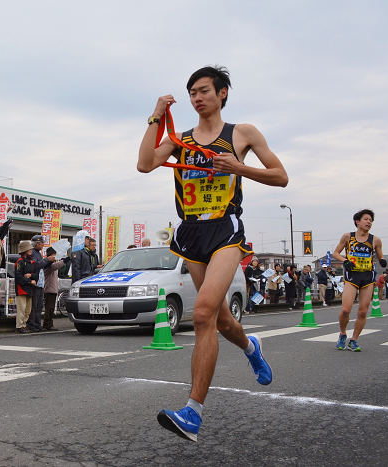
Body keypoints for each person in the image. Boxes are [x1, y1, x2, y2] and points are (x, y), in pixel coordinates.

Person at [138, 65, 288, 441]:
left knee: (202, 314)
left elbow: (281, 175)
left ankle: (193, 412)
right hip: (190, 232)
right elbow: (144, 164)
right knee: (221, 322)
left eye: (204, 90)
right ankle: (251, 347)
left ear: (222, 93)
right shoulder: (180, 137)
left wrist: (239, 167)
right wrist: (156, 115)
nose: (196, 97)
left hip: (225, 229)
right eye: (192, 93)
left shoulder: (242, 133)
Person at [332, 209, 385, 352]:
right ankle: (342, 334)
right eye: (366, 219)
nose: (369, 222)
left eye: (371, 220)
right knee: (345, 310)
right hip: (352, 277)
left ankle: (354, 340)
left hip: (367, 278)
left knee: (362, 312)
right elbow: (335, 253)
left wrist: (382, 261)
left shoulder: (375, 240)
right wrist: (345, 260)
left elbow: (380, 256)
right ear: (358, 222)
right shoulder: (348, 237)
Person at [41, 246, 72, 331]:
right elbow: (56, 266)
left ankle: (48, 323)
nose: (55, 257)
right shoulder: (48, 265)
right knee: (49, 308)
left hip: (52, 288)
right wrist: (65, 260)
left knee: (50, 308)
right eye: (54, 255)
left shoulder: (50, 265)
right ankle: (47, 324)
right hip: (49, 289)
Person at [27, 235, 54, 332]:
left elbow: (43, 265)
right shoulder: (33, 253)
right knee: (34, 306)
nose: (43, 244)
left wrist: (50, 261)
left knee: (39, 306)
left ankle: (37, 324)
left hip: (40, 282)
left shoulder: (37, 253)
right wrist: (47, 259)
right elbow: (37, 265)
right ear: (37, 243)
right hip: (36, 282)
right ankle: (32, 324)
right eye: (42, 242)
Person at [14, 240, 38, 333]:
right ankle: (19, 326)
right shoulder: (19, 262)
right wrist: (30, 281)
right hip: (21, 289)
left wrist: (30, 276)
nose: (31, 250)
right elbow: (18, 277)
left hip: (29, 288)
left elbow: (36, 275)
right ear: (24, 250)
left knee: (28, 309)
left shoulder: (32, 261)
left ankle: (24, 325)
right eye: (29, 249)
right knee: (22, 309)